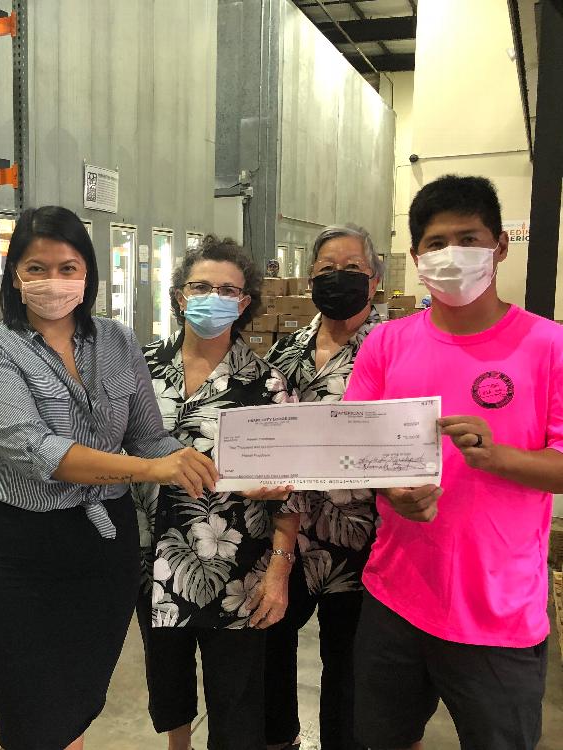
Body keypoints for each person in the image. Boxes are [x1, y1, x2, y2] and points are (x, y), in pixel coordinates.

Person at [0, 206, 218, 750]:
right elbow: (35, 450)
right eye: (37, 268)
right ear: (15, 275)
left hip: (102, 548)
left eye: (68, 267)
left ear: (88, 275)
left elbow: (150, 436)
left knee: (75, 704)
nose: (53, 281)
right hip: (15, 551)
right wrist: (150, 469)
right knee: (31, 712)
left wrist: (217, 470)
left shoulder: (118, 341)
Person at [344, 175, 563, 750]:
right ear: (416, 257)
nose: (450, 256)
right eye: (435, 244)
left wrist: (499, 458)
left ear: (500, 246)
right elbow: (355, 449)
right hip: (396, 596)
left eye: (467, 238)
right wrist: (392, 490)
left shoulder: (547, 346)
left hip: (499, 611)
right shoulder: (385, 344)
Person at [134, 235, 299, 750]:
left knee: (237, 697)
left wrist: (278, 570)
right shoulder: (139, 371)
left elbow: (290, 497)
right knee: (168, 682)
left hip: (238, 567)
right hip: (152, 560)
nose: (214, 297)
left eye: (228, 289)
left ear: (245, 301)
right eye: (201, 286)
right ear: (180, 295)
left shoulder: (266, 384)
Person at [263, 224, 384, 750]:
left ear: (375, 281)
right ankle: (279, 739)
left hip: (367, 540)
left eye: (352, 270)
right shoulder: (287, 351)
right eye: (325, 271)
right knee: (271, 650)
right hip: (290, 537)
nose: (339, 279)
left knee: (349, 665)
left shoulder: (394, 348)